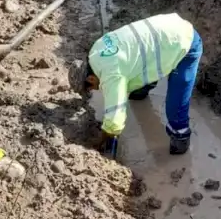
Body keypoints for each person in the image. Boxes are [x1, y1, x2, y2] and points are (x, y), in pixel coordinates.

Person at [69, 13, 203, 158]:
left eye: (90, 87)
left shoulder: (112, 75)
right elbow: (128, 62)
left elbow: (114, 122)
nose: (94, 90)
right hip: (165, 28)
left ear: (90, 78)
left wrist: (102, 141)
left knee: (175, 104)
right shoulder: (96, 50)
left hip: (185, 42)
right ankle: (141, 91)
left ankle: (181, 138)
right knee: (137, 70)